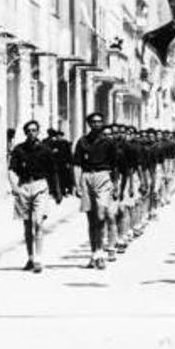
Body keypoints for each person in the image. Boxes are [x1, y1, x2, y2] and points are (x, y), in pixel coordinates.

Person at [8, 120, 61, 273]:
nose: (31, 133)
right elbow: (12, 170)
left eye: (34, 130)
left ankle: (39, 258)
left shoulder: (45, 150)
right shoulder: (19, 150)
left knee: (38, 222)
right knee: (27, 225)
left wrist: (57, 192)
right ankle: (30, 257)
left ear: (38, 132)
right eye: (29, 130)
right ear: (25, 133)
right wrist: (14, 187)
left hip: (40, 186)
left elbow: (53, 171)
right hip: (24, 187)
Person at [73, 112, 118, 270]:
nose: (96, 124)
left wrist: (115, 184)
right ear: (89, 124)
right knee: (91, 218)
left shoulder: (109, 142)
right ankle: (95, 254)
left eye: (99, 121)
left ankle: (101, 251)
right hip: (87, 177)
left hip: (103, 176)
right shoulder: (82, 141)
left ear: (102, 123)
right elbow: (77, 164)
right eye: (93, 122)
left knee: (100, 215)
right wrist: (77, 185)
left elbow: (115, 165)